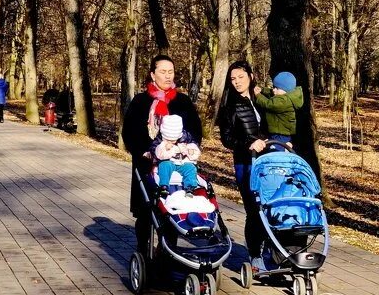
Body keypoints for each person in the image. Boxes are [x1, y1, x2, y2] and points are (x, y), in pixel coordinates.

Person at [122, 54, 203, 219]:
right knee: (146, 213)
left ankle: (166, 245)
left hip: (176, 164)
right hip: (146, 164)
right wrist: (144, 152)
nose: (168, 76)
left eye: (171, 72)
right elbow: (129, 132)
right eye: (163, 71)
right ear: (153, 74)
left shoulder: (182, 101)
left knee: (172, 209)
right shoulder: (140, 101)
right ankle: (143, 245)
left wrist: (189, 148)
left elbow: (195, 130)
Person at [216, 60, 270, 260]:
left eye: (241, 77)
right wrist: (249, 143)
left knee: (271, 207)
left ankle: (273, 250)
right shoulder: (230, 106)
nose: (237, 82)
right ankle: (255, 255)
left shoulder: (262, 99)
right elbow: (227, 139)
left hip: (270, 161)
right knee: (254, 209)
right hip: (246, 163)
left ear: (251, 76)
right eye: (233, 79)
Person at [149, 114, 202, 193]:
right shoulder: (160, 139)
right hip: (169, 161)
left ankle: (190, 186)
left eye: (174, 139)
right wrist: (163, 148)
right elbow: (154, 149)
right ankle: (164, 185)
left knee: (191, 168)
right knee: (164, 166)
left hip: (183, 162)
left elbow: (194, 145)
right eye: (168, 139)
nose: (172, 141)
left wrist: (191, 150)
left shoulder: (186, 136)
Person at [255, 71, 304, 145]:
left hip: (281, 134)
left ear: (286, 90)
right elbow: (271, 92)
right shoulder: (285, 94)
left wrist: (258, 95)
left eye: (276, 88)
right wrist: (262, 90)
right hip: (280, 132)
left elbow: (269, 104)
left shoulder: (284, 101)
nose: (274, 90)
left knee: (277, 149)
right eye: (274, 87)